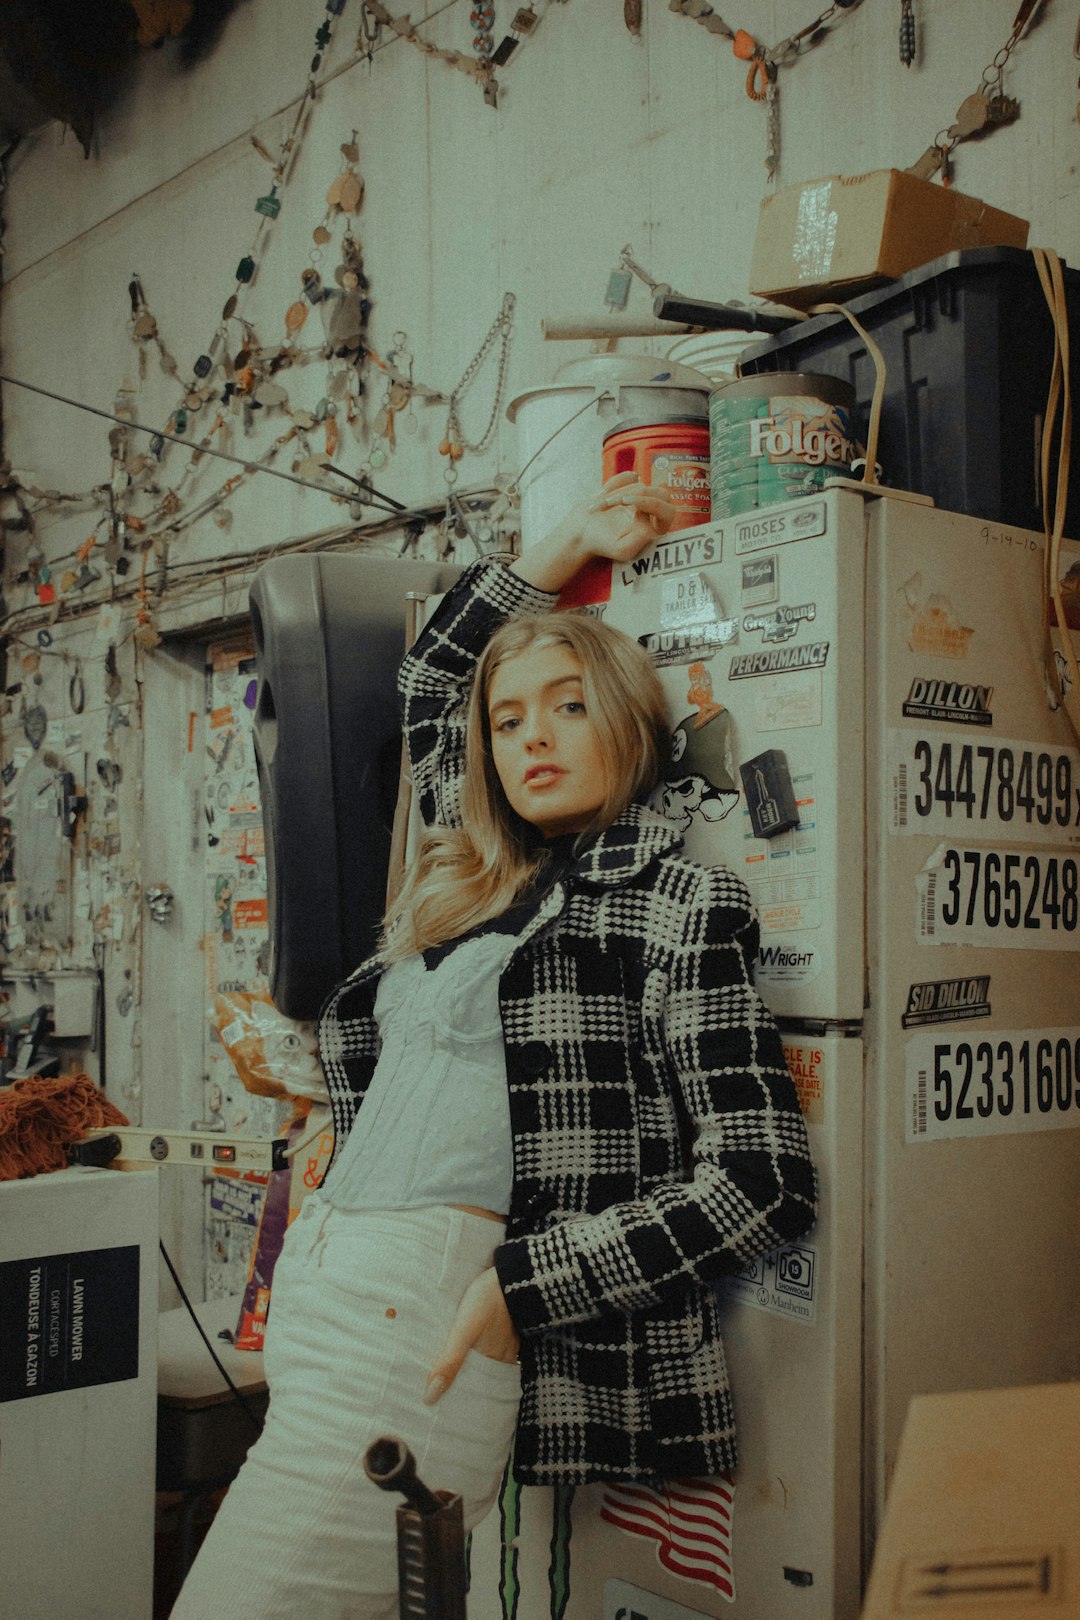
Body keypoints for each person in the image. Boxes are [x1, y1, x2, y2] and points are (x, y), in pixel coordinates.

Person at [171, 472, 817, 1620]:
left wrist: (526, 1286)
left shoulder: (674, 904)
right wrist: (567, 539)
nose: (531, 739)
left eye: (568, 706)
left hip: (424, 1322)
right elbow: (432, 677)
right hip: (329, 1303)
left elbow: (761, 1177)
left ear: (629, 720)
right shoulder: (469, 880)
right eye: (510, 721)